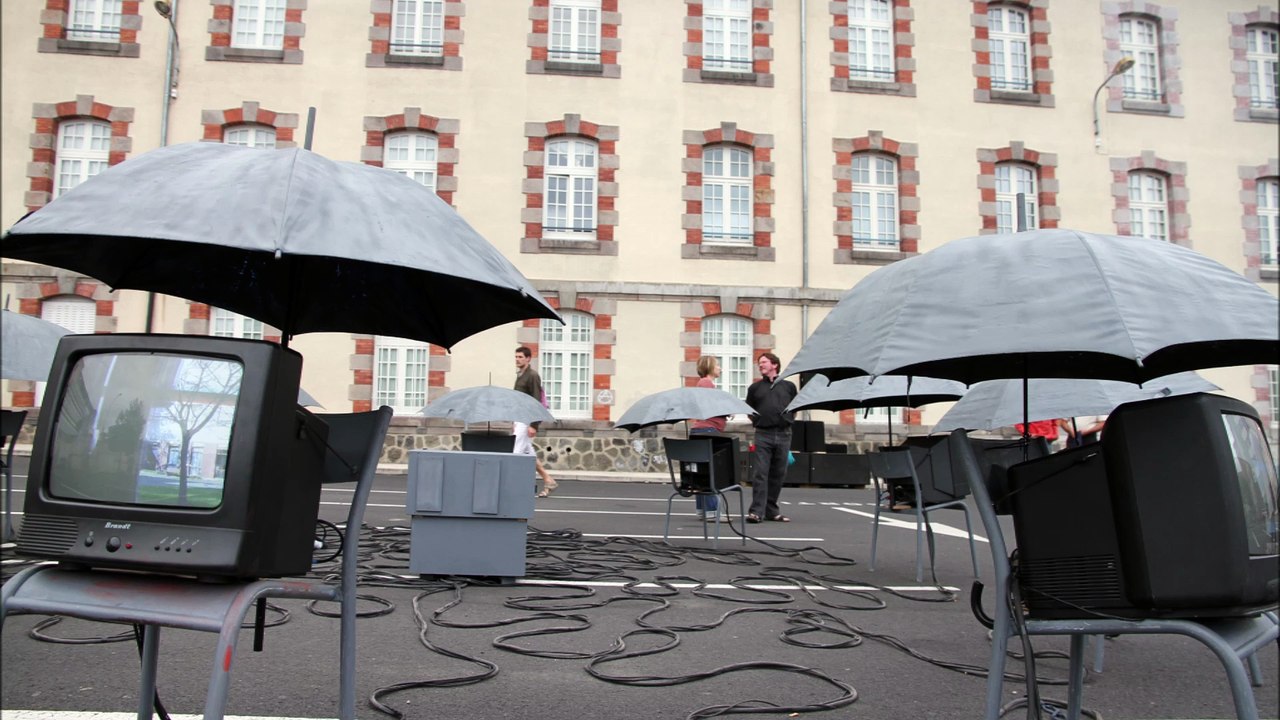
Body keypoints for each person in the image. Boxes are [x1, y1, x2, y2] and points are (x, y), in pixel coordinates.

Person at [744, 352, 798, 523]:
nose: (760, 365)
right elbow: (749, 410)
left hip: (784, 434)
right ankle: (756, 512)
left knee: (778, 473)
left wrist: (787, 420)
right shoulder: (755, 388)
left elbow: (795, 408)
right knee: (760, 473)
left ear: (774, 365)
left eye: (764, 362)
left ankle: (771, 511)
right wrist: (759, 421)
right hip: (763, 434)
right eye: (759, 362)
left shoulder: (789, 386)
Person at [513, 346, 557, 497]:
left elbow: (536, 400)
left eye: (520, 357)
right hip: (520, 419)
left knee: (516, 452)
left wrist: (534, 425)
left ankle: (517, 486)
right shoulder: (520, 375)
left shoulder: (532, 375)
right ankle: (548, 480)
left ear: (528, 358)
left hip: (527, 420)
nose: (517, 359)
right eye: (516, 357)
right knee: (527, 452)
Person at [689, 356, 729, 522]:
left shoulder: (705, 383)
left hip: (703, 430)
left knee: (702, 471)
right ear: (710, 367)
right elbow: (710, 405)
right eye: (717, 365)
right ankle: (712, 510)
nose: (720, 368)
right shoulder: (706, 383)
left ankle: (703, 509)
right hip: (707, 430)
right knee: (710, 471)